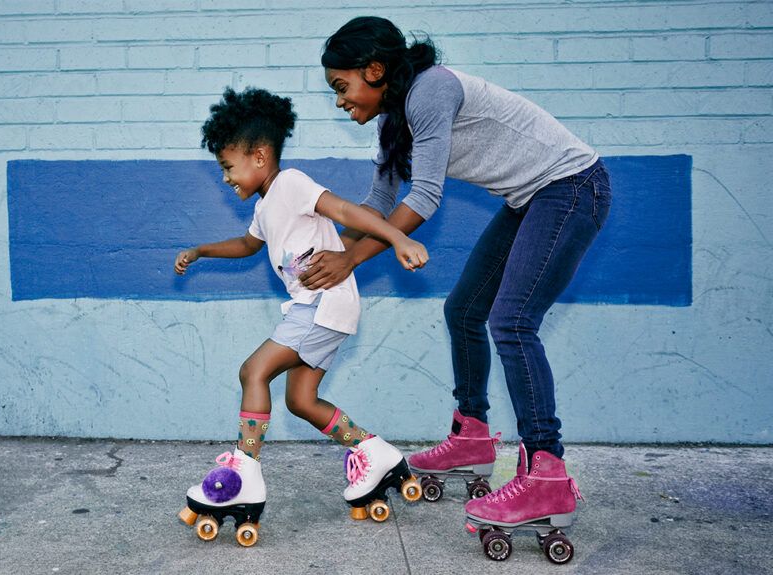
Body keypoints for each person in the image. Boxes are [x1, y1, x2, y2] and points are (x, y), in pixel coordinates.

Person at [307, 16, 607, 535]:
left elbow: (423, 198)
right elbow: (379, 202)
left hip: (570, 187)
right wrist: (328, 250)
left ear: (374, 69)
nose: (339, 100)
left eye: (342, 86)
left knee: (512, 323)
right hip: (530, 199)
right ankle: (471, 436)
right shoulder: (393, 121)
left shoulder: (431, 91)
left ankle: (547, 474)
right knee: (464, 310)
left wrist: (350, 261)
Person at [175, 87, 427, 546]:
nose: (226, 178)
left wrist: (396, 238)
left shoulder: (290, 184)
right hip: (321, 308)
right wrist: (202, 251)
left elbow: (346, 210)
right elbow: (248, 245)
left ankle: (244, 475)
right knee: (301, 401)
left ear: (260, 155)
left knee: (254, 370)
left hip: (323, 303)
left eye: (229, 167)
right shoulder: (265, 205)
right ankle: (376, 453)